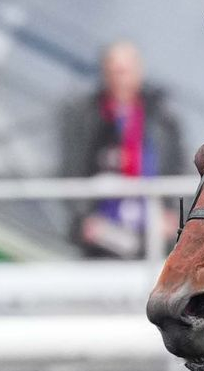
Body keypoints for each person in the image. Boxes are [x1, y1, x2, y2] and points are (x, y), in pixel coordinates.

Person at [60, 40, 186, 260]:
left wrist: (173, 215)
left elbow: (178, 167)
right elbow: (71, 169)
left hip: (151, 228)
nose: (119, 79)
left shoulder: (162, 119)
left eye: (124, 71)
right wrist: (84, 218)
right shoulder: (88, 116)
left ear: (139, 72)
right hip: (101, 230)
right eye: (113, 72)